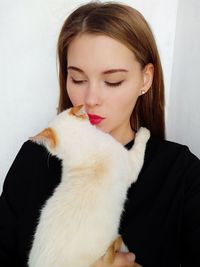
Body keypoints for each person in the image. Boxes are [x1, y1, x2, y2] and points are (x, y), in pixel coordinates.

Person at [0, 1, 200, 267]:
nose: (90, 99)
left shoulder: (181, 174)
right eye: (78, 79)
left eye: (113, 81)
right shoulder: (35, 160)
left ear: (145, 79)